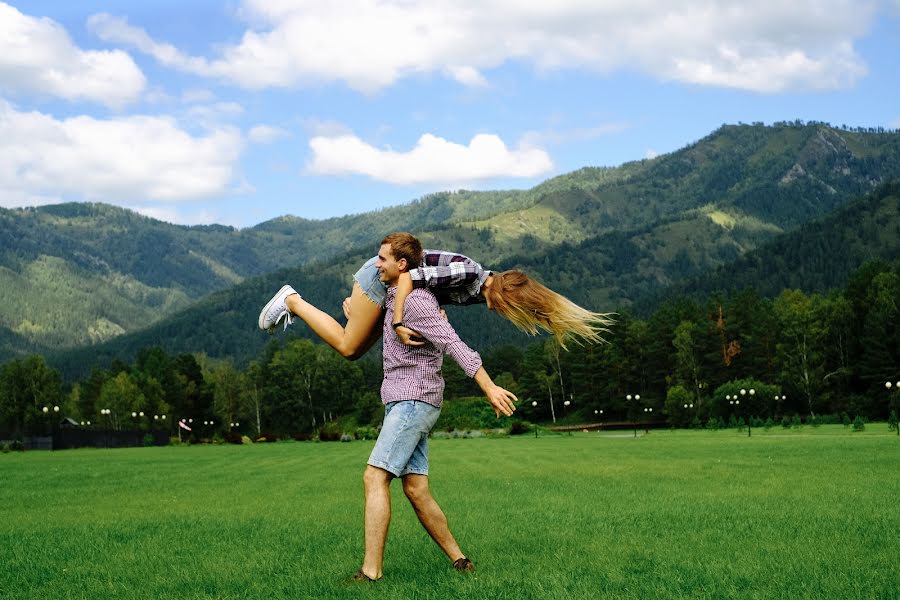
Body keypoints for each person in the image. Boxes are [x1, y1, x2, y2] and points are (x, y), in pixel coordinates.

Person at [353, 233, 518, 582]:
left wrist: (488, 387)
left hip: (413, 402)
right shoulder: (397, 297)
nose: (375, 265)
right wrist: (352, 310)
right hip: (406, 400)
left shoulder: (418, 303)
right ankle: (460, 561)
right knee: (415, 488)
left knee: (374, 476)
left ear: (402, 265)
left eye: (381, 259)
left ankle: (370, 573)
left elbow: (454, 344)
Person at [257, 241, 613, 357]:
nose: (505, 315)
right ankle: (293, 302)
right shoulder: (471, 274)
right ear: (504, 296)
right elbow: (411, 276)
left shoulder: (476, 290)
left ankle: (351, 312)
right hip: (385, 275)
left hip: (391, 290)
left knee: (356, 349)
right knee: (350, 346)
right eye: (511, 309)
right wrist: (394, 321)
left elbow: (425, 290)